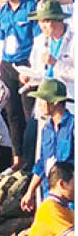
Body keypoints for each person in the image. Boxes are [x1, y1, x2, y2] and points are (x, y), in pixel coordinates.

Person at [0, 0, 40, 173]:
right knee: (12, 113)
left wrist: (31, 69)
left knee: (29, 112)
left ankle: (32, 157)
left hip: (26, 63)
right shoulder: (3, 12)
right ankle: (17, 157)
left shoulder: (30, 7)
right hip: (7, 65)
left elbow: (37, 41)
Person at [20, 80, 75, 211]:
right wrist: (30, 192)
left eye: (41, 100)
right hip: (50, 197)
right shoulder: (47, 129)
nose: (38, 105)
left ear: (54, 102)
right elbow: (41, 164)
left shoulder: (73, 126)